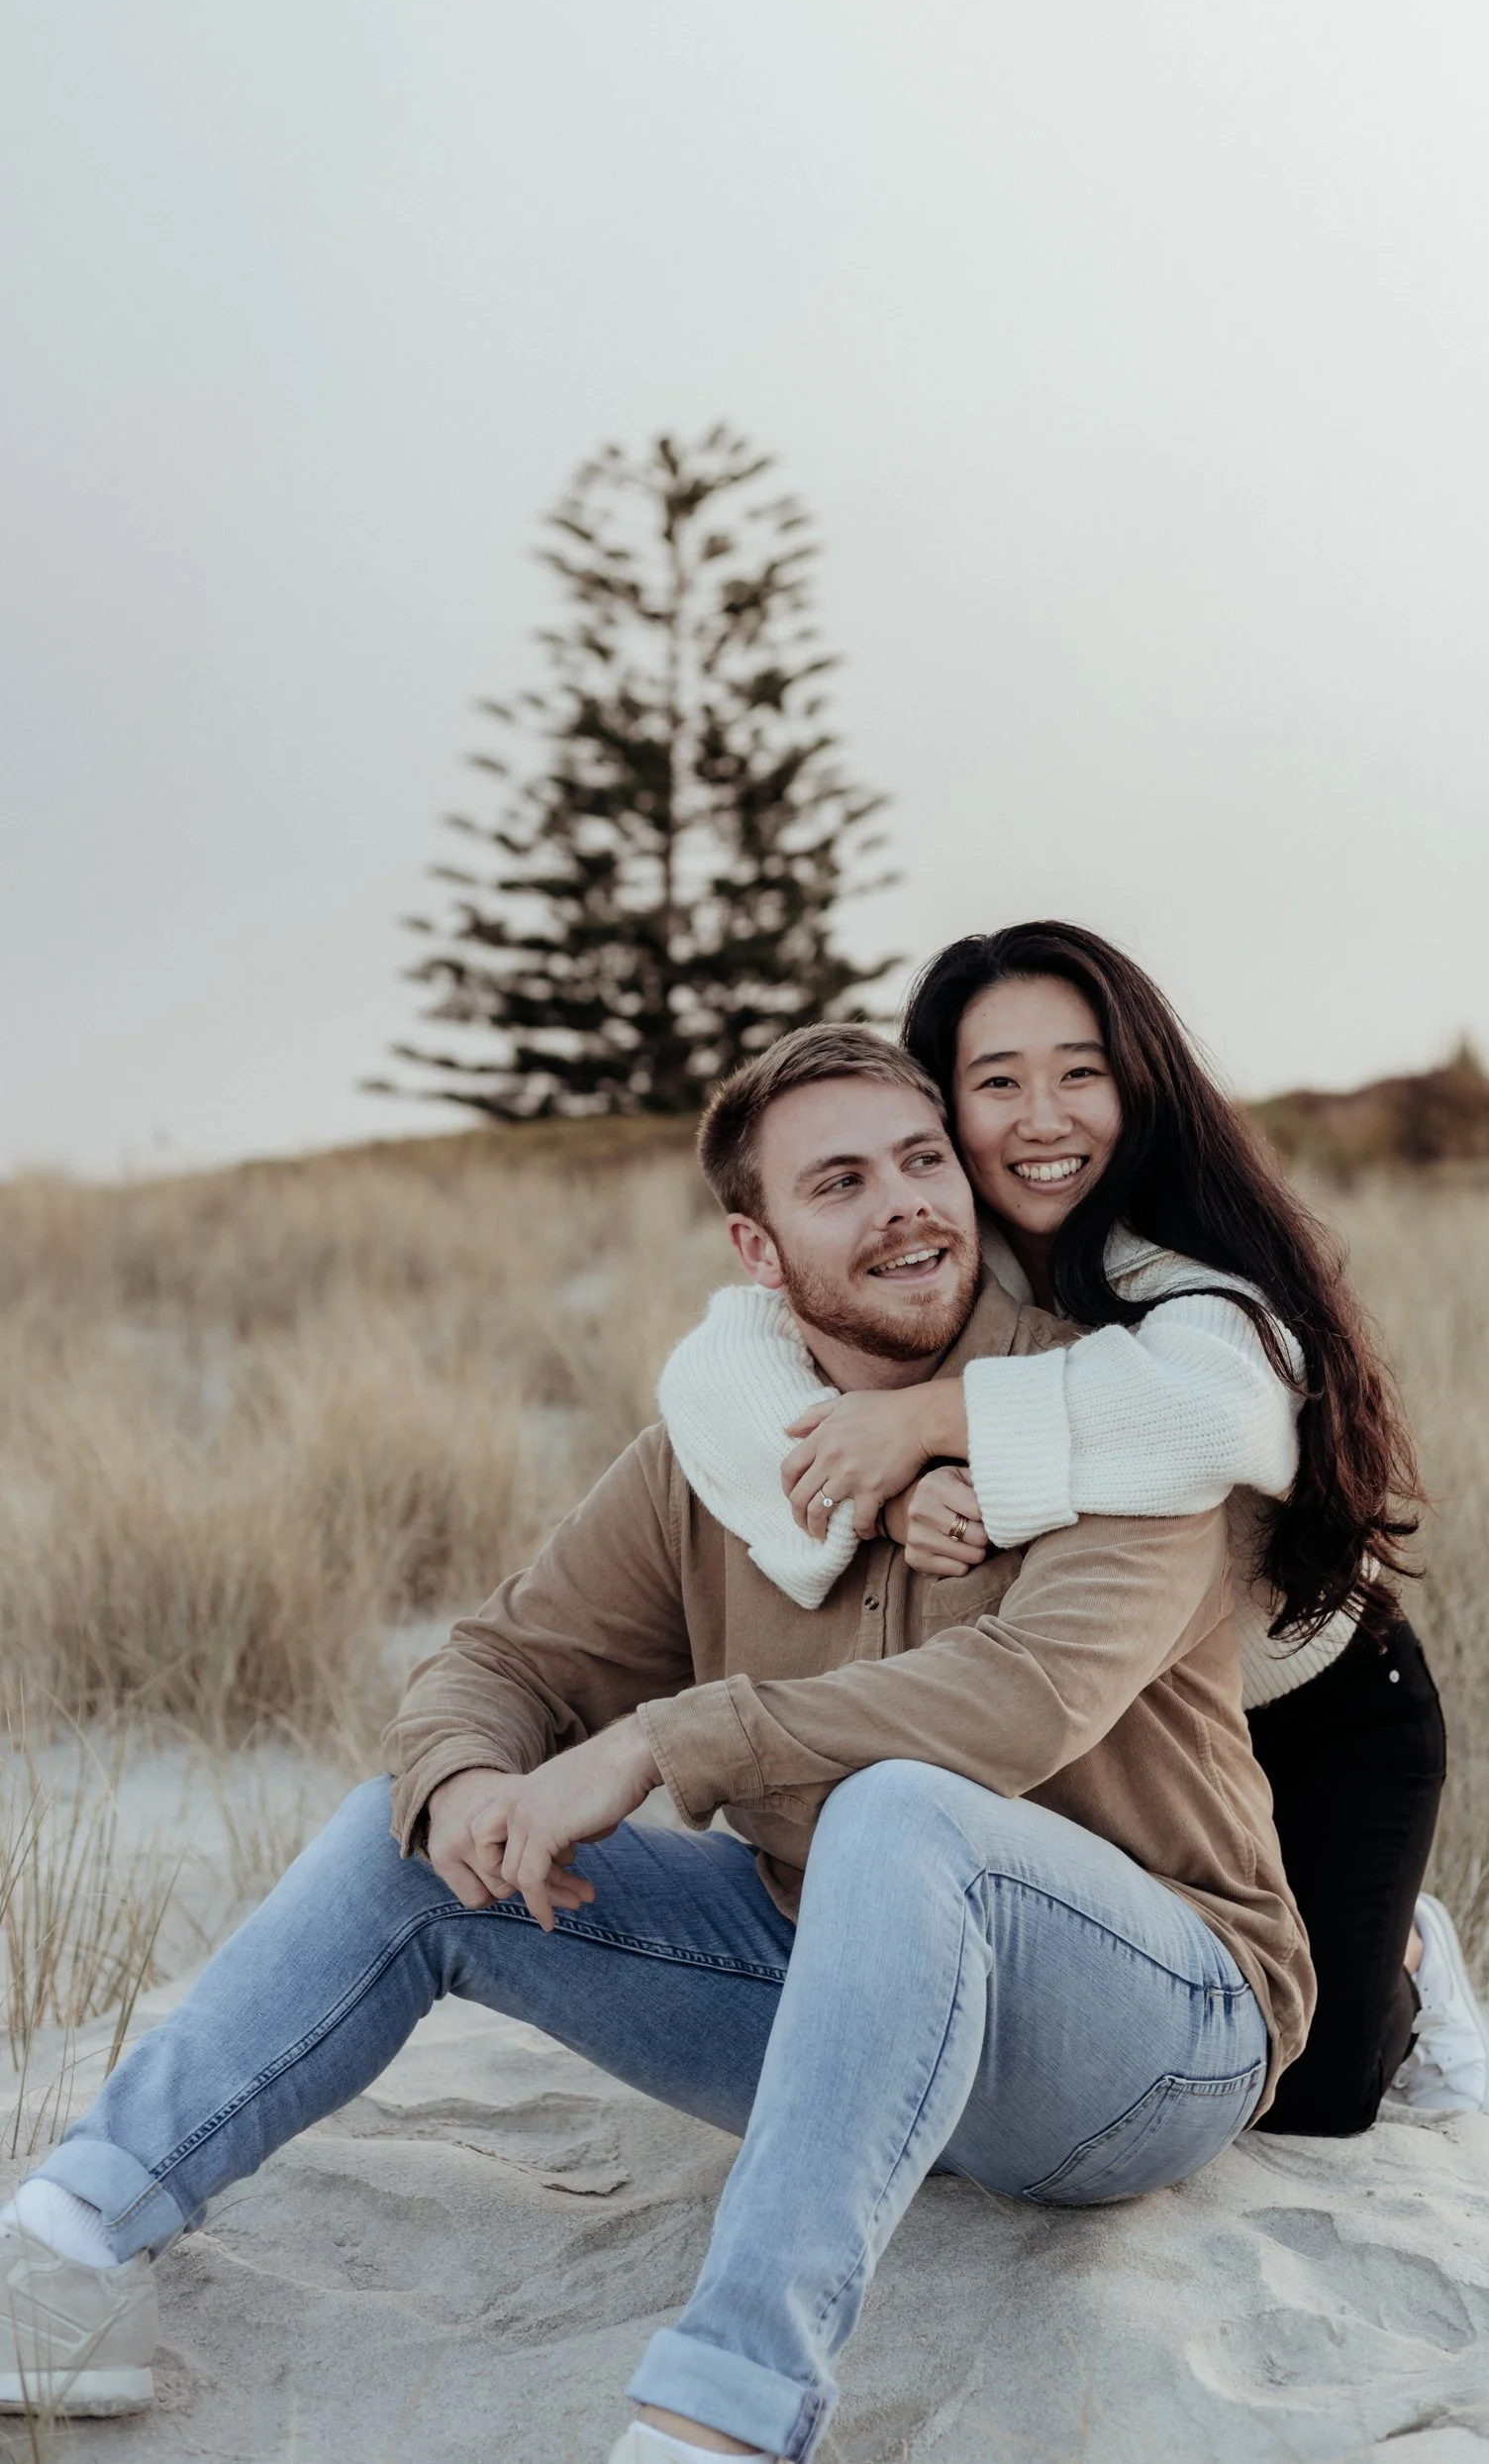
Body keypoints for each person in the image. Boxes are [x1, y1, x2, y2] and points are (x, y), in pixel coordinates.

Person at [2, 1027, 1313, 2457]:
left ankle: (721, 2420)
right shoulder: (721, 1452)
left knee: (899, 1810)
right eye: (841, 1184)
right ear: (759, 1251)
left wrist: (655, 1744)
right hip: (832, 1986)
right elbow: (499, 1662)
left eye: (924, 1161)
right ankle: (68, 2244)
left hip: (1148, 2037)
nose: (905, 1206)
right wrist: (464, 1780)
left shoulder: (1110, 1421)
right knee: (417, 1834)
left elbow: (1020, 1704)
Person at [655, 923, 1489, 2135]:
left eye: (1078, 1073)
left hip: (1318, 1700)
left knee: (1313, 2094)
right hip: (1126, 1718)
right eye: (995, 1083)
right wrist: (885, 1487)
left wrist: (930, 1416)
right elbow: (711, 1372)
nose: (1040, 1118)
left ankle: (1411, 1955)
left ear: (1135, 1082)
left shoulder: (1183, 1264)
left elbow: (1215, 1419)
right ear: (939, 1104)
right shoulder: (928, 1242)